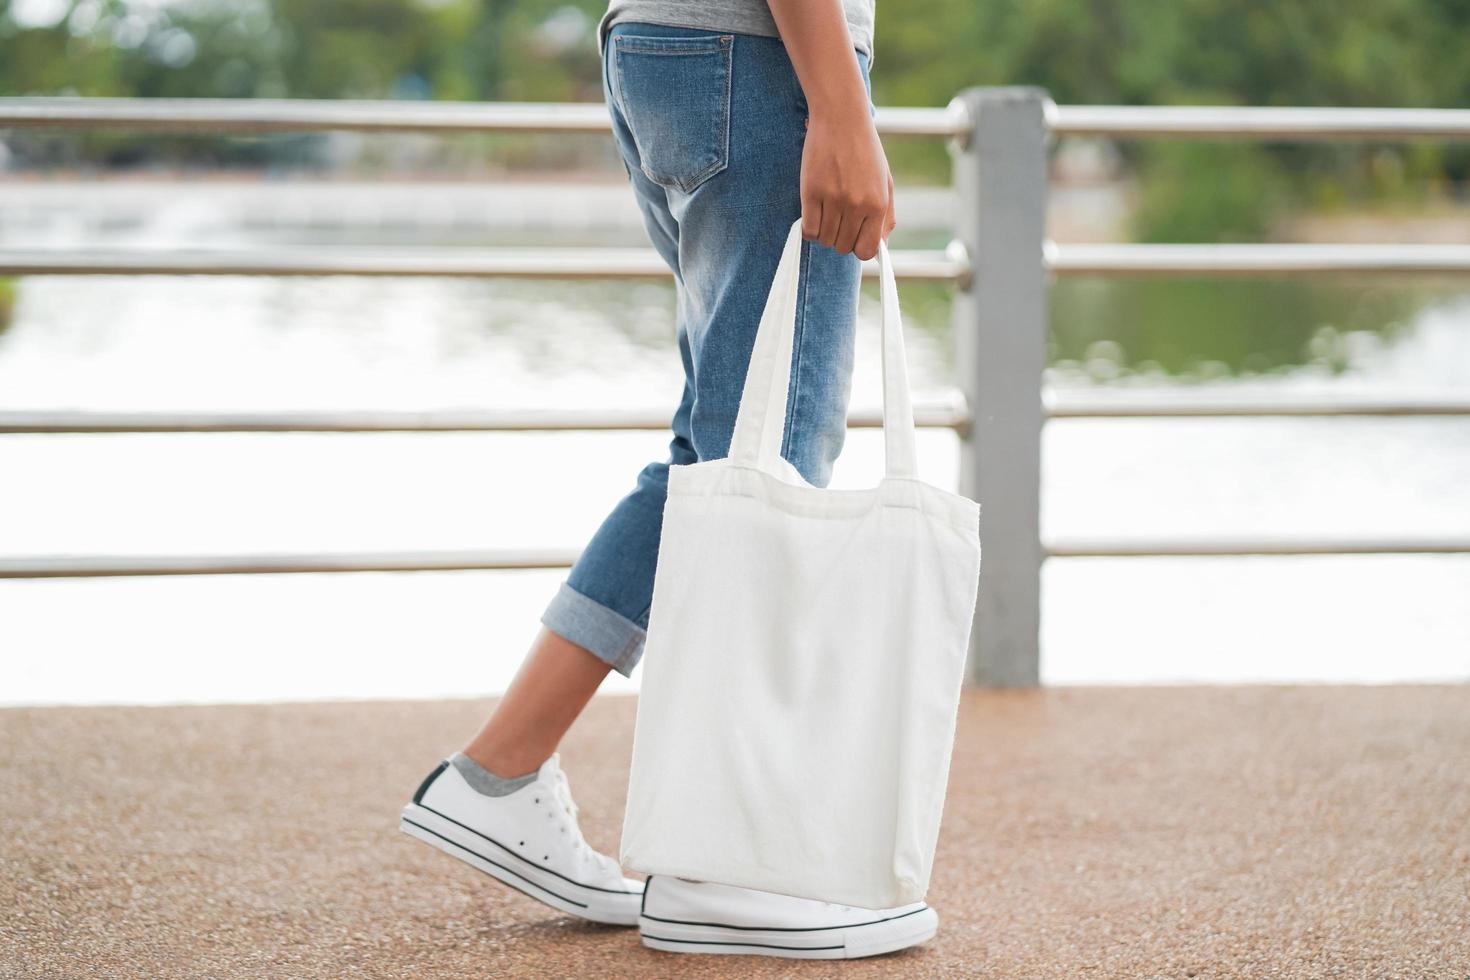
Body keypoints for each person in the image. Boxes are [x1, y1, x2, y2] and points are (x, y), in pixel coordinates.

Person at [400, 0, 936, 960]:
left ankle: (503, 773)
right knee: (762, 459)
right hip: (762, 55)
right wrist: (841, 108)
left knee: (724, 459)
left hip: (681, 49)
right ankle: (722, 869)